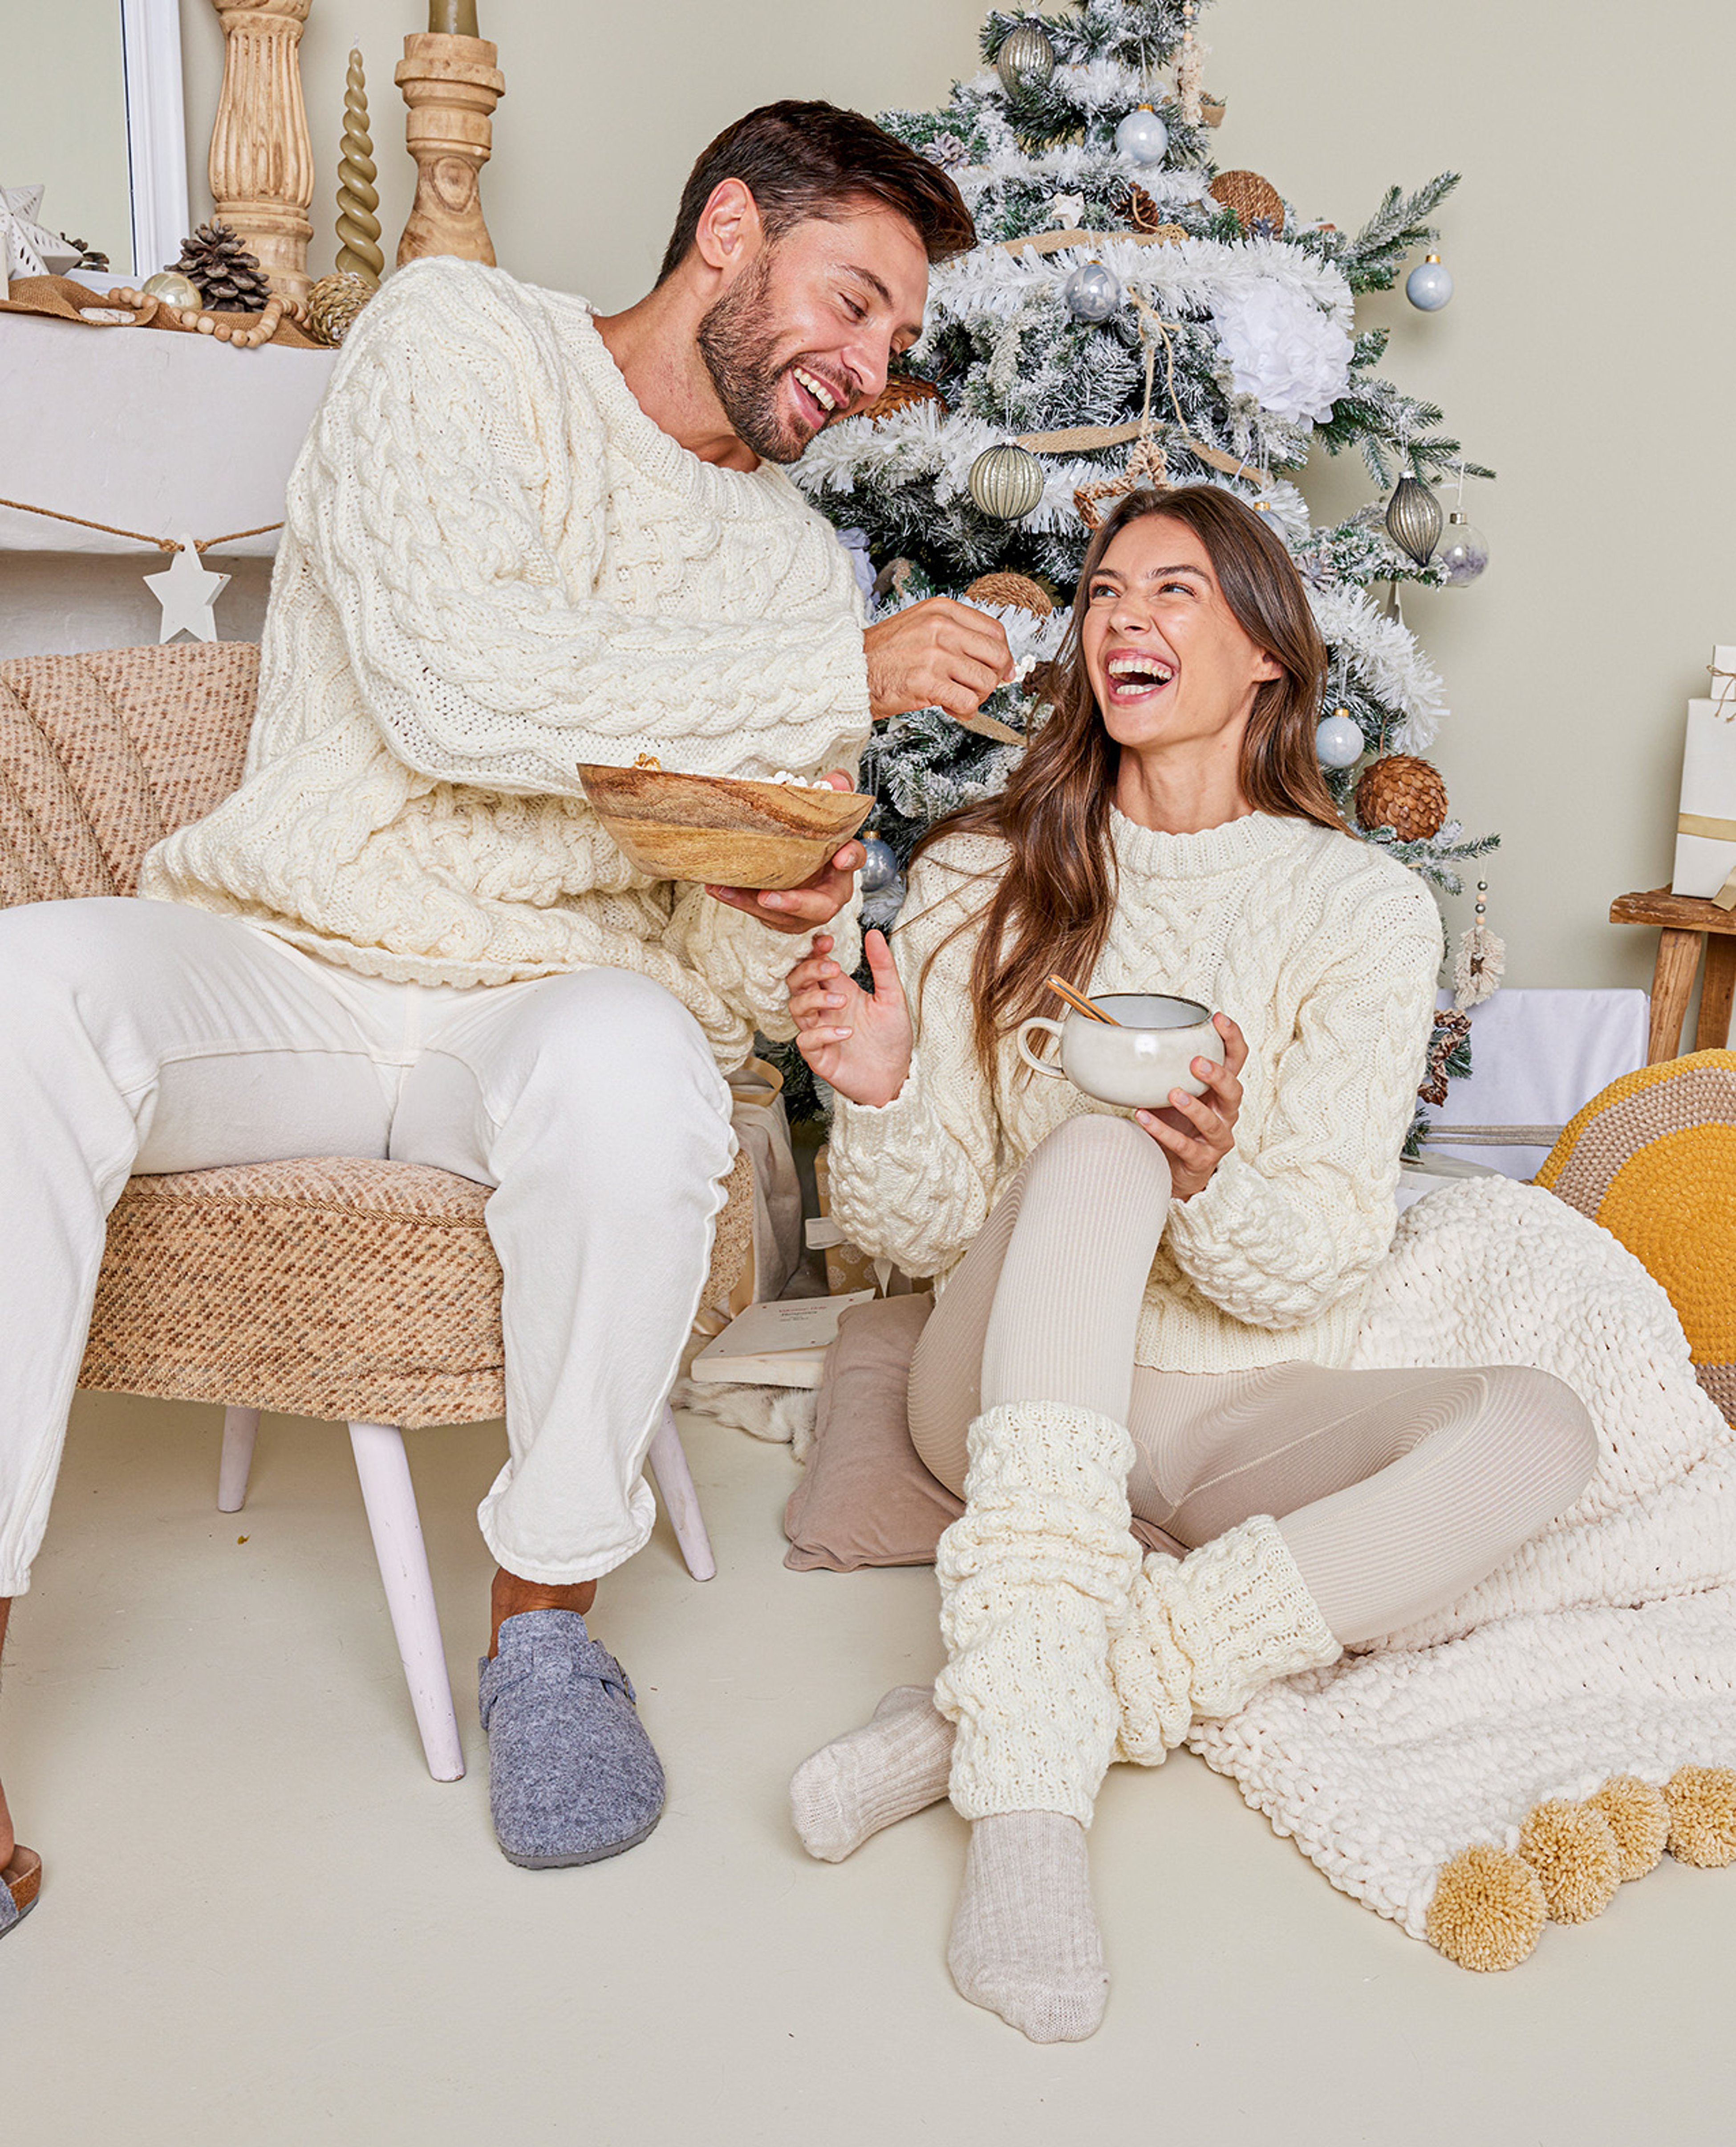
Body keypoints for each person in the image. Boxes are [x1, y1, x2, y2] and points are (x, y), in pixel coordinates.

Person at [0, 100, 1024, 1936]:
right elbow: (451, 682)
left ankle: (547, 1629)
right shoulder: (456, 337)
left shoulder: (793, 565)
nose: (873, 369)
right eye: (854, 301)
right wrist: (835, 675)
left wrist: (772, 910)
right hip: (291, 955)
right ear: (730, 230)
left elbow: (711, 958)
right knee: (22, 990)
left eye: (897, 337)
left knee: (643, 1074)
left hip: (546, 1006)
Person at [781, 486, 1598, 2041]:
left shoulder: (1358, 905)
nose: (1122, 620)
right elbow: (923, 1237)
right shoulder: (976, 872)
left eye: (1173, 592)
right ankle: (1028, 1803)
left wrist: (1208, 1180)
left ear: (1267, 653)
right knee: (1103, 1149)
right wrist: (879, 1091)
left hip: (1226, 1410)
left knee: (1539, 1428)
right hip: (1001, 1383)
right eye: (1102, 592)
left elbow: (1321, 1256)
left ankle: (1012, 1706)